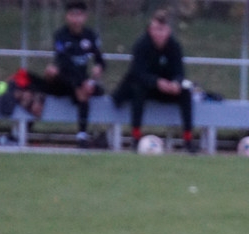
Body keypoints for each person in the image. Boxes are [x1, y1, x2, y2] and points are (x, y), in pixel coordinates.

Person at [112, 10, 197, 153]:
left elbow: (179, 71)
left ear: (168, 31)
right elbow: (137, 72)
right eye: (156, 29)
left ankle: (188, 140)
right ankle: (136, 137)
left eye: (162, 30)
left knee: (185, 93)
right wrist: (157, 82)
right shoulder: (141, 45)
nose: (159, 34)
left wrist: (176, 83)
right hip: (147, 88)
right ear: (150, 30)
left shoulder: (174, 46)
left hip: (166, 90)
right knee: (138, 89)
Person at [42, 0, 106, 147]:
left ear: (85, 17)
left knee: (90, 90)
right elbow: (64, 63)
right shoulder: (60, 35)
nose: (76, 19)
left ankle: (87, 134)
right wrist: (80, 83)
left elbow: (101, 62)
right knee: (52, 72)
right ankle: (82, 135)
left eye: (79, 15)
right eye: (72, 15)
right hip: (64, 80)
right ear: (67, 16)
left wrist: (97, 71)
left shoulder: (90, 35)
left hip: (83, 81)